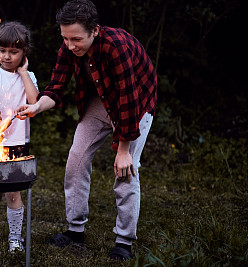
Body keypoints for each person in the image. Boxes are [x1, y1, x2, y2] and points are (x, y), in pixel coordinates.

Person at [15, 0, 157, 261]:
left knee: (125, 170)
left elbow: (128, 99)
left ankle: (124, 241)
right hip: (99, 103)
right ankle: (75, 231)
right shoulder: (70, 45)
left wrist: (123, 150)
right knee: (76, 160)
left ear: (94, 30)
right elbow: (56, 88)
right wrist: (36, 108)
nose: (70, 46)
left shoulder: (117, 46)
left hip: (135, 104)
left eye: (76, 39)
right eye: (65, 39)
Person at [0, 21, 39, 252]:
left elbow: (34, 102)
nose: (7, 56)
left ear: (24, 53)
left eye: (14, 52)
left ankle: (15, 239)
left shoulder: (28, 76)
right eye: (3, 51)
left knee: (13, 191)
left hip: (18, 144)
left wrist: (23, 73)